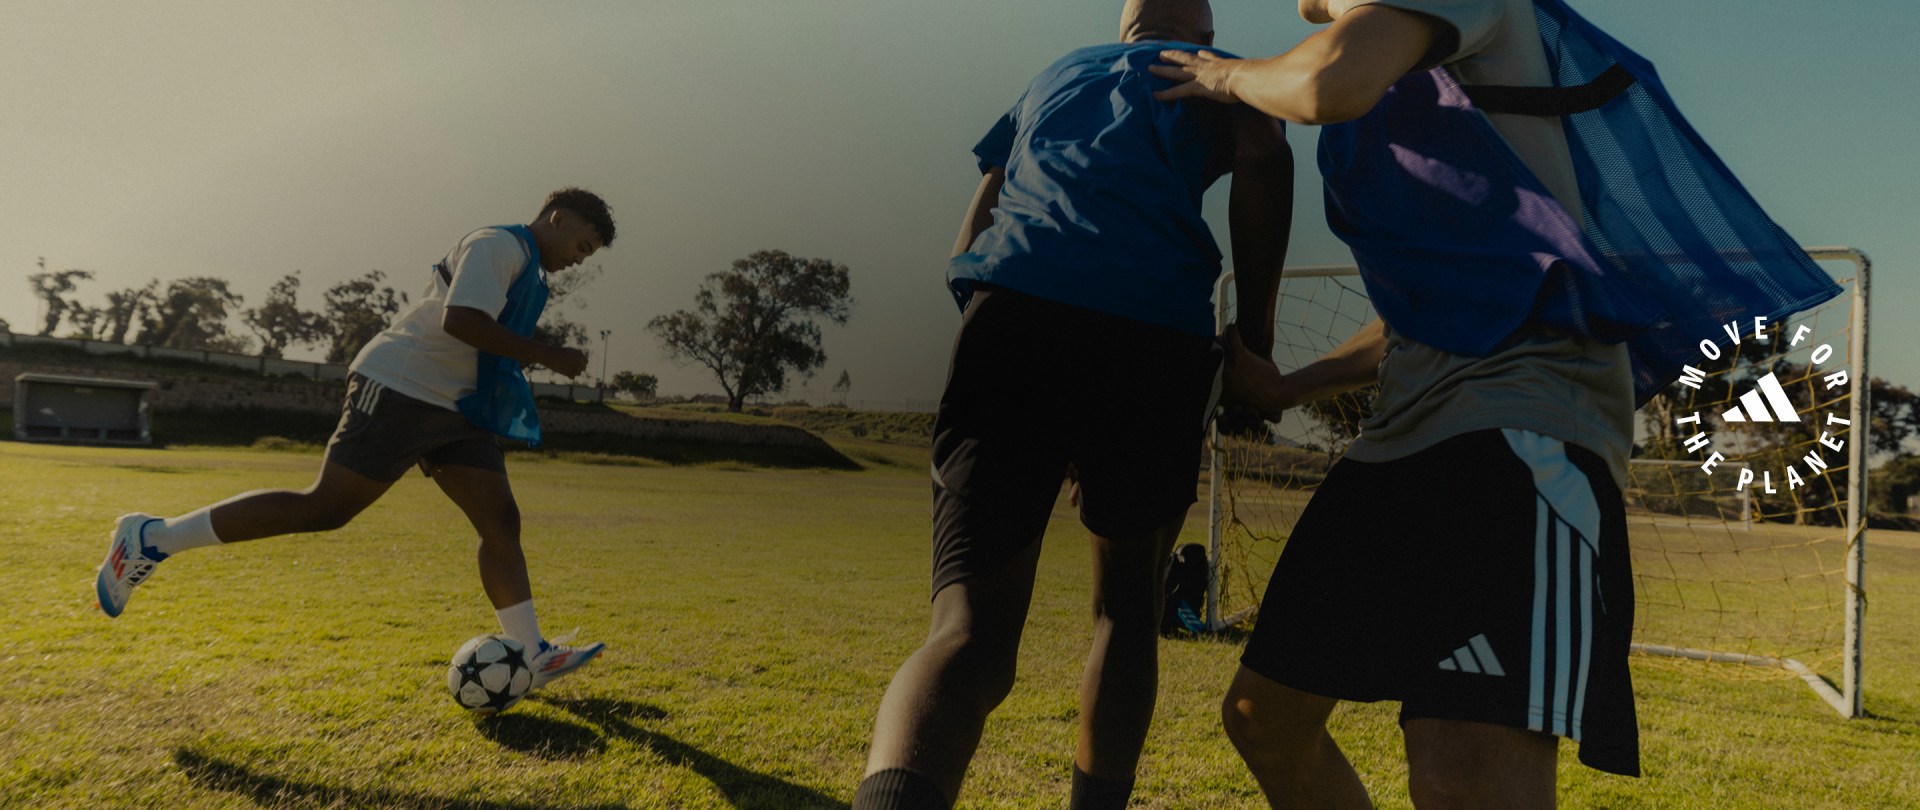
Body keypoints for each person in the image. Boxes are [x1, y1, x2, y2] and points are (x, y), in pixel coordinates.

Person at [1154, 0, 1840, 805]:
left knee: (1464, 778)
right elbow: (1450, 294)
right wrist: (1293, 385)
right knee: (1264, 717)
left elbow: (1324, 85)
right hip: (1401, 443)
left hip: (1520, 436)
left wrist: (1224, 76)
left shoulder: (1416, 23)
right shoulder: (1417, 60)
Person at [852, 2, 1293, 808]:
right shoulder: (1213, 71)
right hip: (1151, 329)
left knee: (966, 634)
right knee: (1127, 609)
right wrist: (1252, 339)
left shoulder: (1055, 75)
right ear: (1198, 30)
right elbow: (1265, 151)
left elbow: (980, 211)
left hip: (1012, 308)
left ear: (1125, 24)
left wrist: (990, 316)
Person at [95, 188, 616, 691]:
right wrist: (548, 355)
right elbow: (462, 320)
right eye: (582, 246)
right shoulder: (498, 245)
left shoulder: (532, 272)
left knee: (499, 519)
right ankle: (152, 537)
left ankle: (531, 653)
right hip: (402, 387)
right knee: (324, 507)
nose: (579, 259)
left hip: (457, 407)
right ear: (558, 219)